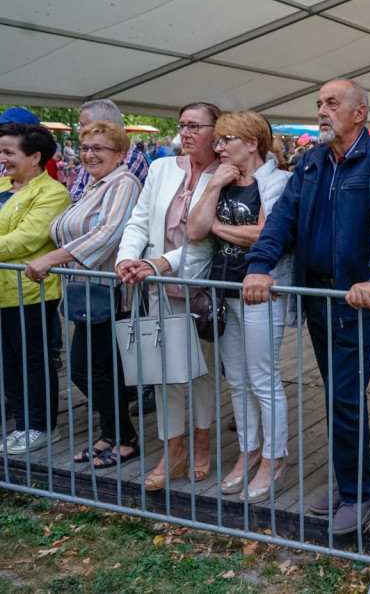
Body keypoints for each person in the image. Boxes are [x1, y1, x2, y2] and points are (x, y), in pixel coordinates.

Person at [243, 78, 370, 535]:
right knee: (339, 394)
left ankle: (359, 492)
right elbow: (282, 220)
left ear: (360, 113)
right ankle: (350, 480)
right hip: (319, 297)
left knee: (345, 396)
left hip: (357, 299)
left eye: (332, 103)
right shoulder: (312, 161)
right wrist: (259, 265)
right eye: (319, 103)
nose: (322, 110)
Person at [115, 102, 222, 491]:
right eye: (183, 125)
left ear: (216, 130)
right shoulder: (160, 168)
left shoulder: (224, 173)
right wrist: (128, 259)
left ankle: (202, 442)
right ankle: (172, 450)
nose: (187, 132)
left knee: (203, 371)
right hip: (157, 286)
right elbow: (140, 219)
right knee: (165, 374)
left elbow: (209, 239)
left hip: (200, 287)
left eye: (196, 125)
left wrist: (160, 262)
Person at [186, 111, 292, 502]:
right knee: (237, 380)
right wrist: (213, 185)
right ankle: (248, 450)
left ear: (252, 143)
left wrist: (218, 227)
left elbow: (266, 233)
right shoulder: (221, 178)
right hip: (224, 291)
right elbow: (194, 229)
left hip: (263, 292)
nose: (220, 146)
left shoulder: (277, 181)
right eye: (219, 140)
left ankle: (273, 456)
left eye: (227, 139)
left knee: (264, 377)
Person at [25, 121, 142, 467]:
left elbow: (106, 234)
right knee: (102, 370)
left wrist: (51, 258)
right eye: (86, 147)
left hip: (111, 293)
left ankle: (124, 437)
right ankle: (114, 435)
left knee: (88, 370)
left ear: (120, 154)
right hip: (87, 293)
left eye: (99, 148)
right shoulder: (95, 185)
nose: (89, 154)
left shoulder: (124, 183)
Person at [0, 123, 71, 454]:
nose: (3, 159)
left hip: (28, 292)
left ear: (35, 157)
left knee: (32, 360)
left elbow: (25, 239)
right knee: (7, 362)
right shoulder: (3, 185)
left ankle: (42, 426)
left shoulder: (53, 193)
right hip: (2, 293)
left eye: (9, 153)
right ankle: (22, 425)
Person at [69, 100, 148, 203]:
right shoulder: (91, 154)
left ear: (104, 126)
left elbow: (101, 201)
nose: (79, 130)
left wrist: (87, 192)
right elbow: (73, 195)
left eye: (83, 125)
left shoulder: (132, 157)